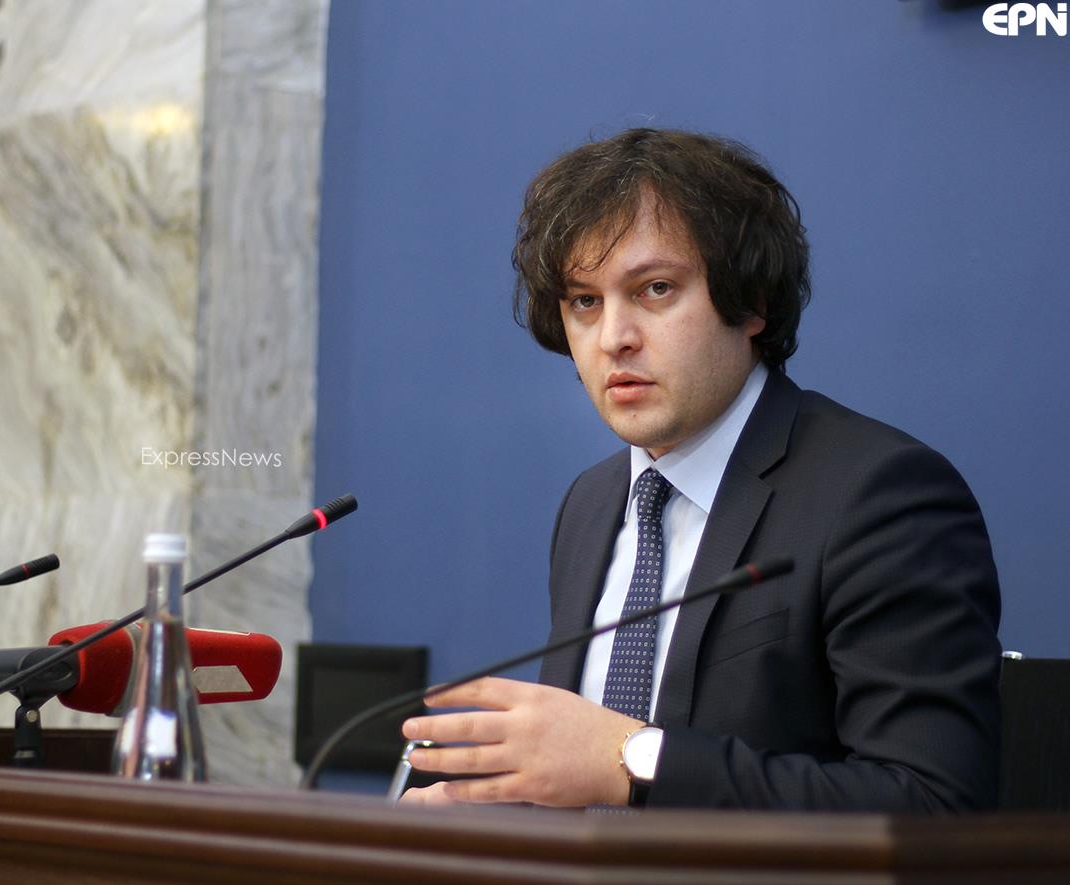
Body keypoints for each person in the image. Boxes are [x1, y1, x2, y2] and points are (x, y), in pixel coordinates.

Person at [400, 128, 1002, 811]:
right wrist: (500, 814)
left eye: (655, 289)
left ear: (752, 302)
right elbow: (584, 783)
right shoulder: (591, 504)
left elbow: (934, 804)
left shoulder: (879, 496)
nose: (614, 338)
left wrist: (635, 758)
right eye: (584, 301)